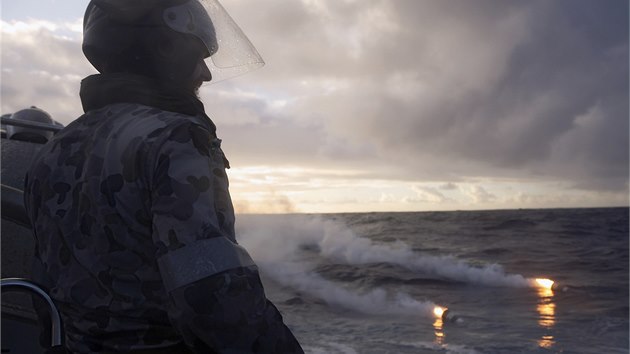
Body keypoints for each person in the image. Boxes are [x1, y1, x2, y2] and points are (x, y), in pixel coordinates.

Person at [23, 0, 303, 352]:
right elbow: (211, 295)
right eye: (199, 55)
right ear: (164, 48)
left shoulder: (53, 150)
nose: (207, 73)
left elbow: (45, 286)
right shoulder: (176, 139)